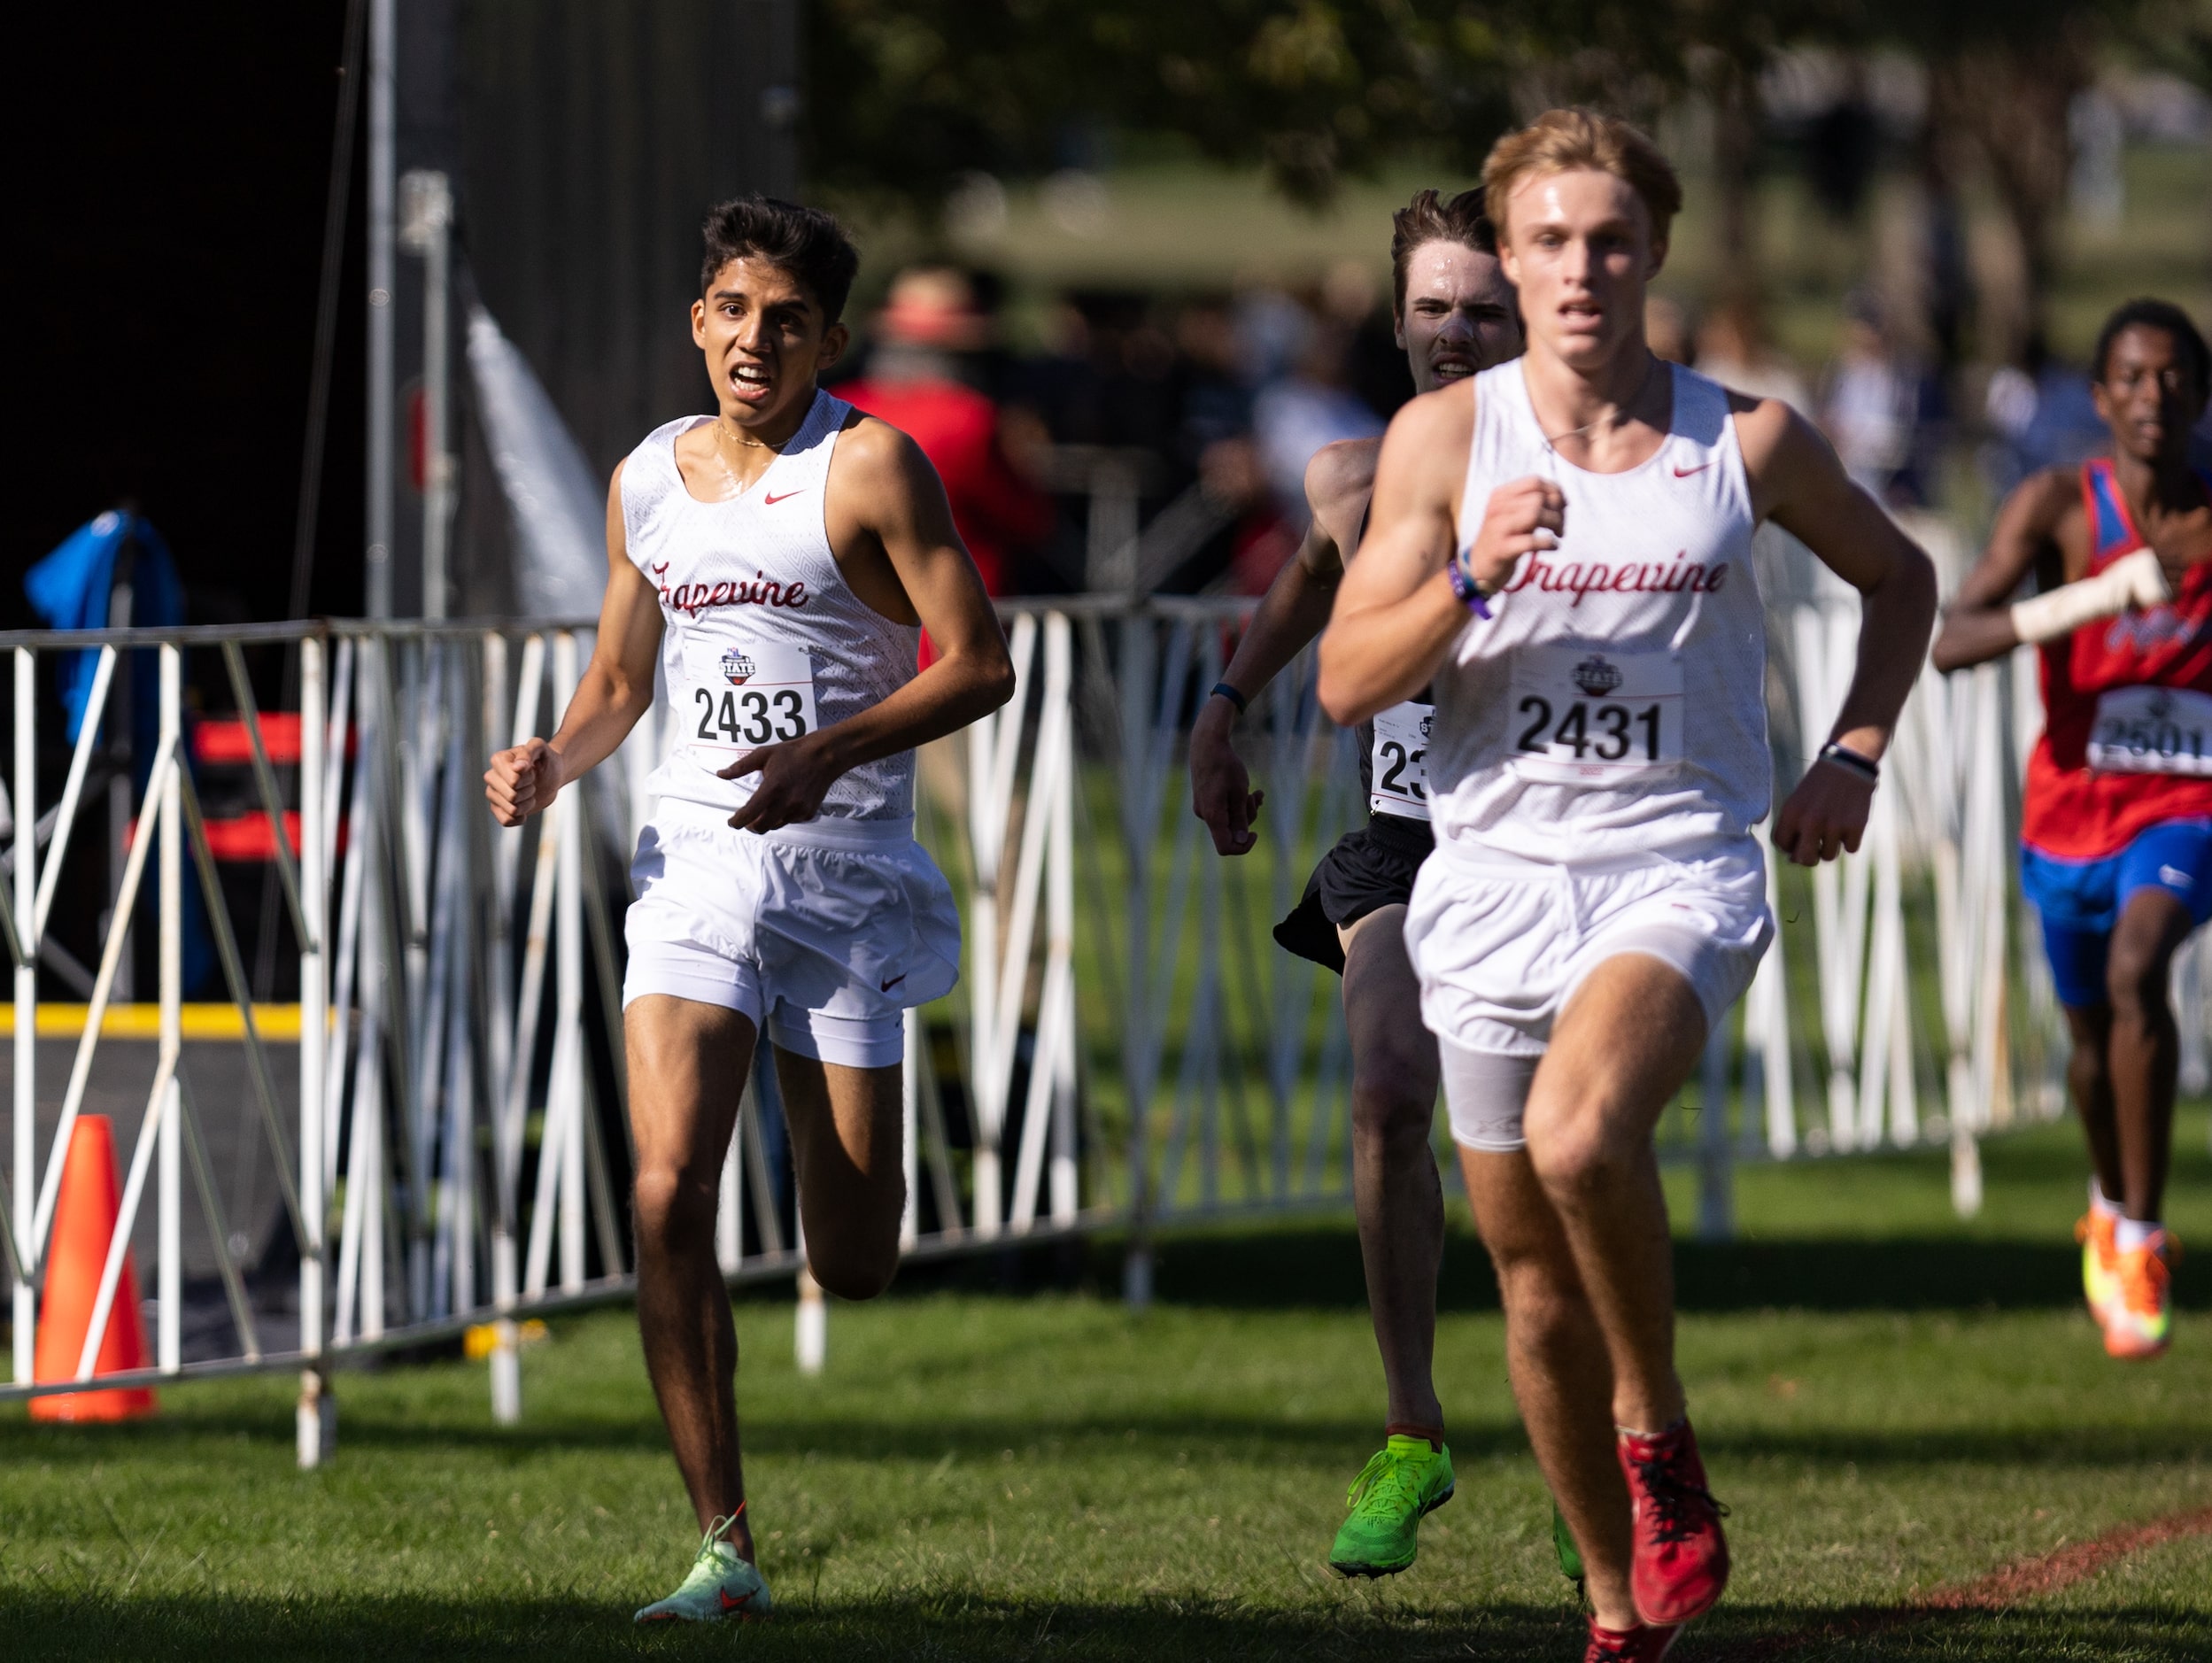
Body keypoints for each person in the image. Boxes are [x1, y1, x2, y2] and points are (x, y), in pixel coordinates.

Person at [1319, 111, 1936, 1661]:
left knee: (1582, 1129)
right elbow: (1341, 680)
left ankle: (1655, 1431)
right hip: (1489, 885)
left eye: (1608, 239)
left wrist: (1851, 753)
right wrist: (1467, 576)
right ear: (1508, 258)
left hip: (1673, 867)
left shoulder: (1746, 439)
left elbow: (1899, 577)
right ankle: (1613, 1608)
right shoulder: (1444, 446)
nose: (1579, 268)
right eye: (1546, 240)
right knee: (1530, 1294)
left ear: (1652, 249)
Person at [483, 196, 1015, 1623]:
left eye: (785, 318)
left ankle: (826, 1161)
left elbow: (978, 666)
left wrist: (830, 749)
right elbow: (618, 684)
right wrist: (549, 755)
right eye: (730, 310)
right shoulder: (646, 479)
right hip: (697, 862)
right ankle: (723, 1548)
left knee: (854, 1257)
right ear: (698, 322)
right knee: (666, 1190)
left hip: (844, 875)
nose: (752, 339)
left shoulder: (871, 467)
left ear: (830, 337)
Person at [1189, 186, 1521, 1580]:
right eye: (1432, 306)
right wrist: (1223, 708)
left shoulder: (1592, 467)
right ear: (1395, 320)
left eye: (1481, 307)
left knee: (1554, 1155)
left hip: (1547, 839)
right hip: (1402, 831)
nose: (1454, 330)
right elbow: (1308, 586)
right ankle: (1411, 1431)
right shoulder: (1346, 473)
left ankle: (1600, 1435)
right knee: (1385, 1089)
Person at [1932, 298, 2212, 1362]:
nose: (2153, 396)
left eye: (2173, 376)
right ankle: (2106, 1198)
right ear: (2099, 398)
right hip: (2067, 812)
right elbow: (1953, 641)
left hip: (2184, 806)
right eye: (2131, 378)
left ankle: (2140, 1233)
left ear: (2197, 391)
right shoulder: (2056, 504)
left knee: (2142, 968)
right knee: (2089, 1039)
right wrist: (2083, 603)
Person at [836, 266, 1055, 599]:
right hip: (952, 623)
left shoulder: (838, 405)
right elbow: (1029, 520)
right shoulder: (970, 417)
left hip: (850, 623)